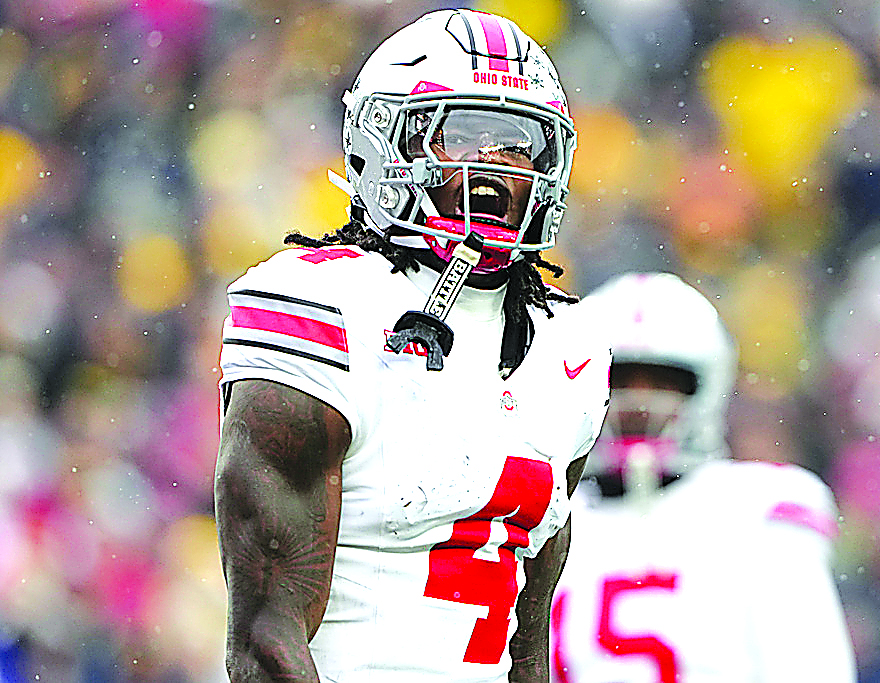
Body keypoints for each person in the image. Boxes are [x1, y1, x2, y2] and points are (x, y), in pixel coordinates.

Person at [213, 9, 610, 683]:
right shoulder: (322, 306)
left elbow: (527, 643)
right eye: (465, 135)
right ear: (383, 143)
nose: (494, 166)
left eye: (518, 143)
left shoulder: (569, 348)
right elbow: (264, 642)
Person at [550, 272, 857, 683]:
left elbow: (811, 670)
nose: (638, 403)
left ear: (706, 388)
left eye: (661, 382)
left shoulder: (754, 510)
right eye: (619, 380)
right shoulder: (548, 519)